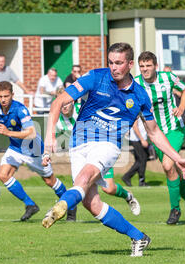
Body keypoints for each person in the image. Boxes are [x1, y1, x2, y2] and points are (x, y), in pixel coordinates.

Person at [41, 42, 185, 257]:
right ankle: (139, 237)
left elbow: (154, 132)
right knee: (91, 203)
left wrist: (177, 158)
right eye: (111, 62)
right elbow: (59, 101)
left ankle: (59, 207)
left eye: (119, 63)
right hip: (78, 143)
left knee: (84, 179)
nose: (114, 67)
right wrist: (49, 135)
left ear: (130, 64)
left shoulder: (139, 95)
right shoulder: (96, 77)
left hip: (108, 144)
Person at [135, 51, 185, 225]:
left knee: (167, 165)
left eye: (148, 65)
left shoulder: (167, 77)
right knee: (176, 173)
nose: (145, 69)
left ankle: (175, 209)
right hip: (155, 134)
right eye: (142, 66)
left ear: (155, 66)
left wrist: (181, 106)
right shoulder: (136, 83)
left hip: (174, 129)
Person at [53, 87, 141, 221]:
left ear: (72, 101)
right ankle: (69, 209)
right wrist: (49, 151)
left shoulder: (83, 108)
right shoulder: (58, 122)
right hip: (80, 154)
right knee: (82, 187)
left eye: (66, 102)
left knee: (109, 189)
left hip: (100, 149)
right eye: (61, 103)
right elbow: (53, 139)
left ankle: (128, 196)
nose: (64, 106)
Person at [0, 81, 67, 221]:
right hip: (15, 148)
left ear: (13, 95)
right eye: (0, 96)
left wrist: (8, 133)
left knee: (49, 181)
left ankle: (70, 205)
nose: (3, 99)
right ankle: (30, 205)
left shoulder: (21, 110)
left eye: (6, 96)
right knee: (3, 175)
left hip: (34, 150)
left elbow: (32, 133)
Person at [121, 117, 150, 187]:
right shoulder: (137, 111)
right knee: (141, 160)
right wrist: (142, 139)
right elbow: (135, 127)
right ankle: (127, 177)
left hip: (141, 139)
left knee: (141, 160)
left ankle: (141, 180)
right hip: (136, 139)